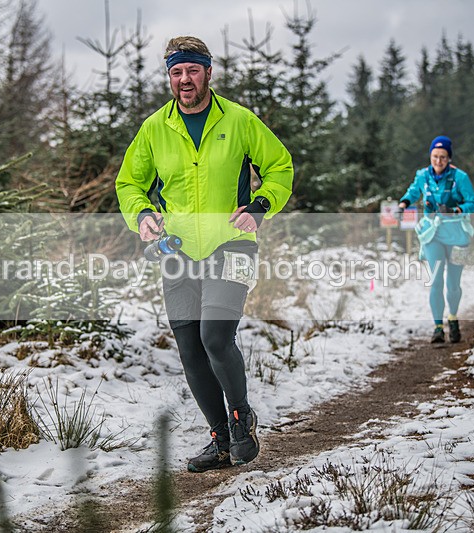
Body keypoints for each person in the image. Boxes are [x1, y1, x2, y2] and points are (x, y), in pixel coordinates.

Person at [115, 36, 293, 472]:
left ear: (208, 73)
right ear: (169, 78)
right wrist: (142, 216)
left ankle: (240, 419)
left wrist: (260, 206)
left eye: (192, 70)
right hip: (176, 249)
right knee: (190, 347)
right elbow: (129, 184)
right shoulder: (155, 128)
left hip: (231, 243)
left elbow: (280, 166)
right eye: (177, 72)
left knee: (215, 336)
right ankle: (218, 438)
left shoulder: (239, 120)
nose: (185, 79)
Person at [397, 136, 474, 344]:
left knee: (453, 284)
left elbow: (473, 203)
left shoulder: (460, 177)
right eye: (435, 156)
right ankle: (438, 327)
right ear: (430, 156)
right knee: (435, 280)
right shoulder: (423, 175)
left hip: (457, 234)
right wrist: (404, 203)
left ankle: (452, 317)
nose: (438, 161)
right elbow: (413, 191)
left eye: (443, 157)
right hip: (432, 234)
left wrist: (456, 209)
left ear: (449, 158)